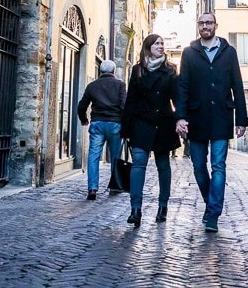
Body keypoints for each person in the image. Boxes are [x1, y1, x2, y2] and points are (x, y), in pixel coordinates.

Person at [175, 12, 247, 233]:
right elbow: (183, 86)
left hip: (222, 118)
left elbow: (237, 85)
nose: (205, 26)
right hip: (196, 119)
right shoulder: (189, 53)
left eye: (208, 22)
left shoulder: (229, 52)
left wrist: (241, 119)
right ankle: (211, 204)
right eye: (201, 23)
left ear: (216, 25)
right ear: (198, 26)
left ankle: (213, 213)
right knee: (198, 168)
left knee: (218, 166)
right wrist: (180, 116)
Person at [121, 34, 180, 228]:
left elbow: (176, 98)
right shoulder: (138, 70)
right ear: (148, 47)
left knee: (163, 165)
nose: (161, 46)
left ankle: (163, 205)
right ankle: (135, 209)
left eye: (162, 44)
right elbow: (131, 99)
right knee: (139, 163)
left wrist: (181, 118)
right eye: (157, 43)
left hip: (163, 123)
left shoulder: (170, 70)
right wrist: (126, 127)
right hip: (141, 123)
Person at [76, 59, 126, 200]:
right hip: (115, 123)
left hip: (97, 123)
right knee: (115, 156)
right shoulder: (120, 85)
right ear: (113, 71)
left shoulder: (92, 86)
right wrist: (125, 122)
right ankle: (115, 186)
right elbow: (124, 105)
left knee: (93, 156)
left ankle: (92, 188)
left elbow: (82, 105)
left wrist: (84, 119)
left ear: (100, 71)